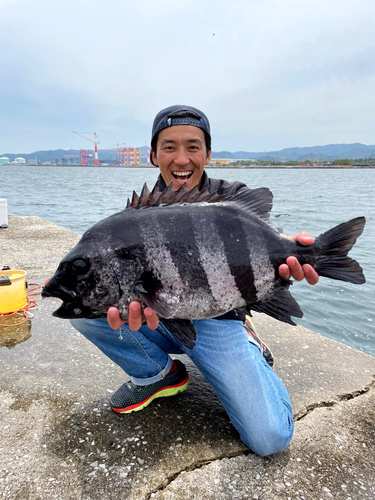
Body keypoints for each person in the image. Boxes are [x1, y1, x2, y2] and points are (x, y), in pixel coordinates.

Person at [71, 105, 319, 457]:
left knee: (270, 439)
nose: (181, 158)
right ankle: (157, 374)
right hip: (161, 315)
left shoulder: (230, 198)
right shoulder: (139, 214)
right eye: (169, 147)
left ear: (208, 152)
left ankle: (249, 344)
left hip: (218, 321)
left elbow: (262, 242)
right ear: (153, 154)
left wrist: (291, 254)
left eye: (193, 146)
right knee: (83, 302)